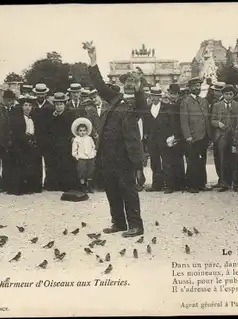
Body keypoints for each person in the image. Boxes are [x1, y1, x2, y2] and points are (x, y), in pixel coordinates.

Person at [84, 40, 146, 238]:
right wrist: (93, 59)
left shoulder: (136, 104)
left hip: (125, 157)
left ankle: (136, 226)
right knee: (112, 190)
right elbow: (99, 85)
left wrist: (140, 86)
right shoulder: (115, 98)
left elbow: (142, 105)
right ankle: (119, 222)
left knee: (128, 191)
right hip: (108, 155)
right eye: (126, 81)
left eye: (132, 82)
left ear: (136, 86)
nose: (128, 84)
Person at [6, 94, 43, 195]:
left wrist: (33, 139)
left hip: (32, 144)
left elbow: (37, 131)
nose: (27, 108)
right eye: (25, 105)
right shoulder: (17, 119)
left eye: (30, 106)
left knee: (32, 164)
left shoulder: (34, 118)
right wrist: (26, 138)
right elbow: (17, 133)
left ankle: (31, 186)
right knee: (21, 164)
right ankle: (21, 188)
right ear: (22, 107)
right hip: (20, 145)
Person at [180, 77, 212, 193]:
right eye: (194, 86)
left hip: (204, 136)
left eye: (198, 85)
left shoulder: (204, 101)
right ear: (190, 88)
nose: (197, 88)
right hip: (193, 137)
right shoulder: (186, 102)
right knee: (192, 161)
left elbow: (207, 119)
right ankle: (191, 185)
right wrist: (187, 135)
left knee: (202, 160)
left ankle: (201, 183)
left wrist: (209, 135)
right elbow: (184, 120)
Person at [42, 92, 78, 191]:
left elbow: (73, 128)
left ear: (64, 104)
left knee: (66, 163)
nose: (59, 106)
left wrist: (71, 138)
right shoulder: (52, 115)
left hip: (66, 143)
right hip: (55, 143)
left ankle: (66, 185)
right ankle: (55, 184)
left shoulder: (69, 114)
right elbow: (49, 129)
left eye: (61, 104)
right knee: (55, 163)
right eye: (57, 104)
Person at [211, 84, 238, 192]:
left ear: (233, 95)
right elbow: (212, 120)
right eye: (226, 94)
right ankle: (224, 183)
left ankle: (236, 183)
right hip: (221, 136)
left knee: (234, 159)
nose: (228, 96)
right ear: (223, 95)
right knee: (222, 159)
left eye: (231, 94)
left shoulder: (237, 105)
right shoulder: (217, 105)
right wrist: (218, 123)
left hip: (233, 136)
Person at [143, 87, 171, 192]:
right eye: (152, 96)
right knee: (154, 163)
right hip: (152, 140)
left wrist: (170, 137)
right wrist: (146, 134)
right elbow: (145, 123)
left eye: (156, 96)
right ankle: (157, 184)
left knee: (166, 162)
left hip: (164, 140)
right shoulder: (147, 108)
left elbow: (170, 123)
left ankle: (169, 185)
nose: (154, 98)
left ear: (160, 97)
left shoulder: (166, 108)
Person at [71, 117, 97, 193]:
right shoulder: (76, 139)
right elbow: (74, 151)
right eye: (80, 131)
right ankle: (83, 187)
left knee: (90, 172)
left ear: (86, 131)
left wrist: (93, 154)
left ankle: (89, 186)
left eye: (84, 131)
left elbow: (93, 147)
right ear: (77, 131)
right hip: (81, 158)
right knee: (82, 173)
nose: (82, 132)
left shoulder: (89, 138)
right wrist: (77, 157)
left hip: (90, 158)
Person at [208, 82, 225, 188]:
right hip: (216, 134)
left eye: (217, 91)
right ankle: (221, 179)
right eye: (214, 90)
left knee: (224, 159)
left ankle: (225, 180)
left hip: (224, 134)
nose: (215, 92)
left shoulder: (227, 101)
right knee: (217, 158)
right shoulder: (214, 102)